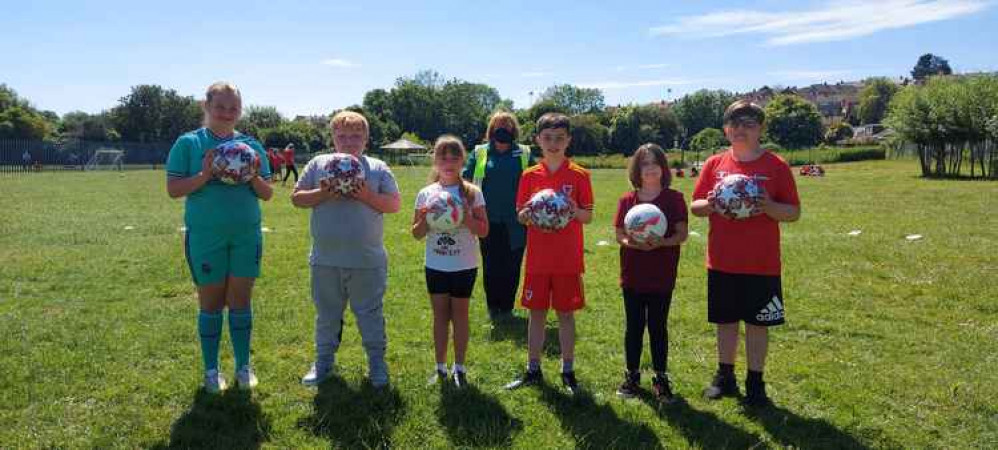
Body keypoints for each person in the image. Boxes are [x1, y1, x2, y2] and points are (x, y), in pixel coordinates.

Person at [690, 100, 801, 407]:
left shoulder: (776, 166)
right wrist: (712, 203)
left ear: (760, 129)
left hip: (761, 263)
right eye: (735, 124)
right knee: (725, 322)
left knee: (757, 324)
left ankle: (755, 382)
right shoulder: (714, 164)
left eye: (749, 124)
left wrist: (768, 205)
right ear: (726, 130)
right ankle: (725, 376)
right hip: (722, 260)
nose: (741, 130)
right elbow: (695, 206)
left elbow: (793, 212)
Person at [165, 81, 273, 393]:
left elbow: (267, 194)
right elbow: (173, 190)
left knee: (240, 301)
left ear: (240, 110)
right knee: (211, 304)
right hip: (205, 236)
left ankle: (243, 366)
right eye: (220, 107)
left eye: (233, 108)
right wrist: (206, 174)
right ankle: (211, 371)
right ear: (206, 107)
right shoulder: (188, 143)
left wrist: (250, 173)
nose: (227, 113)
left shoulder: (251, 145)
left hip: (245, 235)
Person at [292, 111, 401, 388]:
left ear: (366, 138)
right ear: (333, 138)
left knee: (370, 316)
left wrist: (366, 195)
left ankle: (377, 364)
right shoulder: (319, 164)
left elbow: (394, 205)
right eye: (342, 136)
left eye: (356, 136)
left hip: (367, 260)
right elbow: (297, 198)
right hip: (325, 259)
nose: (349, 142)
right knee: (327, 316)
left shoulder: (377, 167)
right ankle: (323, 362)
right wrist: (323, 193)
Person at [505, 113, 593, 394]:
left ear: (568, 140)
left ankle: (568, 371)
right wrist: (531, 213)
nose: (553, 143)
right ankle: (533, 369)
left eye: (559, 138)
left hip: (567, 258)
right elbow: (520, 215)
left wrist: (569, 208)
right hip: (538, 259)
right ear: (538, 140)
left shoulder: (579, 175)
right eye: (548, 138)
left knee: (566, 314)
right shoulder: (529, 175)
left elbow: (588, 216)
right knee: (537, 313)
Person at [613, 143, 688, 402]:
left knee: (658, 326)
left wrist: (662, 242)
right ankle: (631, 376)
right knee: (633, 326)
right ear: (637, 169)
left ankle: (661, 378)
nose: (650, 168)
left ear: (663, 167)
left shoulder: (674, 199)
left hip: (661, 275)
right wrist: (632, 243)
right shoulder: (627, 200)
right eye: (644, 163)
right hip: (633, 274)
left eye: (655, 162)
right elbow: (619, 235)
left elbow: (682, 234)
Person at [412, 135, 489, 388]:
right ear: (435, 160)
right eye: (443, 156)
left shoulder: (472, 193)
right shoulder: (426, 194)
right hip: (436, 265)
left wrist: (466, 218)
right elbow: (416, 234)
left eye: (454, 156)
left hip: (464, 265)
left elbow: (484, 230)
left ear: (462, 161)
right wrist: (424, 220)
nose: (448, 161)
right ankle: (440, 367)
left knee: (461, 316)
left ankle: (460, 368)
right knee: (440, 317)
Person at [462, 111, 534, 322]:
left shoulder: (524, 153)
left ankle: (507, 308)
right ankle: (494, 308)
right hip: (487, 219)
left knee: (512, 265)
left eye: (508, 126)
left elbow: (537, 180)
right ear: (491, 130)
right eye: (498, 126)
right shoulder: (480, 152)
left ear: (514, 130)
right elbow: (466, 180)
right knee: (491, 265)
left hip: (517, 221)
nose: (503, 130)